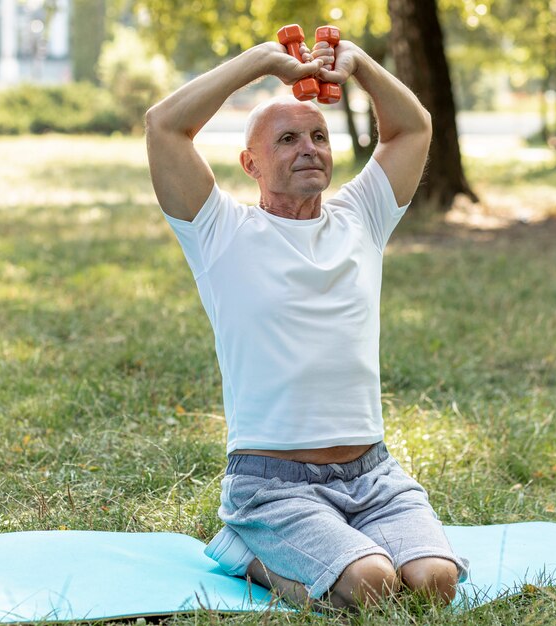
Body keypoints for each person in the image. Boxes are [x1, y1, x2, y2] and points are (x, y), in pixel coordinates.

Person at [145, 34, 468, 610]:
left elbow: (412, 128)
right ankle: (248, 546)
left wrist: (360, 65)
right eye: (288, 139)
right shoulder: (220, 232)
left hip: (374, 476)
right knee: (372, 586)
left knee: (436, 583)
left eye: (319, 136)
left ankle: (344, 546)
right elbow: (164, 126)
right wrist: (262, 63)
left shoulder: (360, 217)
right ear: (251, 163)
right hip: (270, 485)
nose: (309, 148)